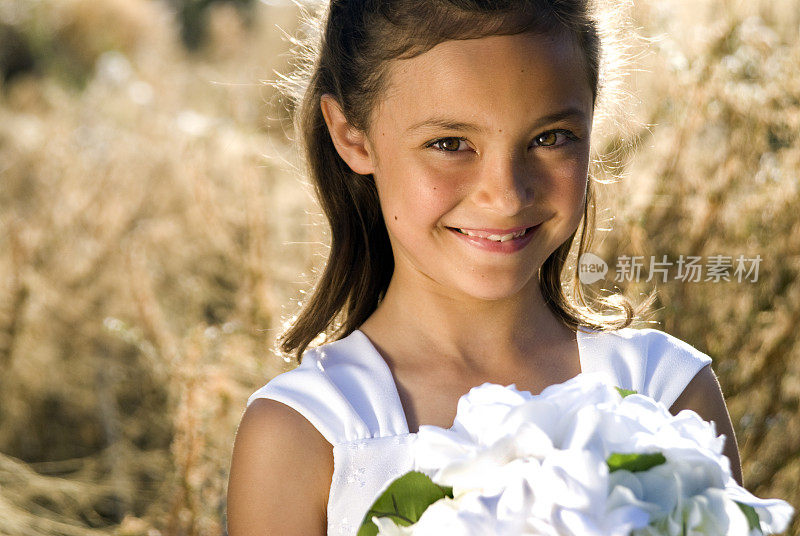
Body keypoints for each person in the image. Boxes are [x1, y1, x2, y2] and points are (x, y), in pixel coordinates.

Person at [226, 1, 743, 534]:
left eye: (550, 138)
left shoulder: (665, 391)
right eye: (449, 144)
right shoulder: (306, 432)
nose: (507, 196)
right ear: (353, 136)